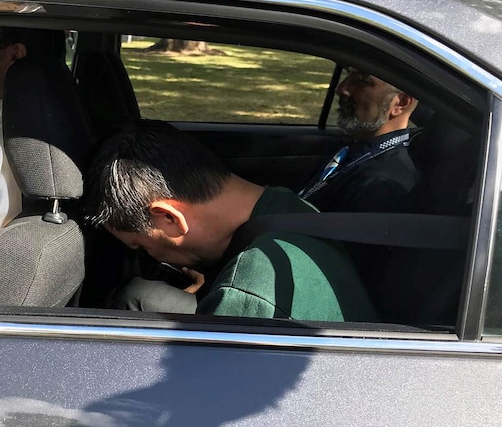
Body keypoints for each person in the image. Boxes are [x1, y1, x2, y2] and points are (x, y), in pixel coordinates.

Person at [84, 119, 376, 321]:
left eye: (142, 246)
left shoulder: (248, 296)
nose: (154, 256)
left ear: (169, 218)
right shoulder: (288, 206)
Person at [300, 68, 419, 213]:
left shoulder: (381, 185)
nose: (341, 89)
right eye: (347, 77)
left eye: (361, 82)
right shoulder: (359, 148)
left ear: (401, 103)